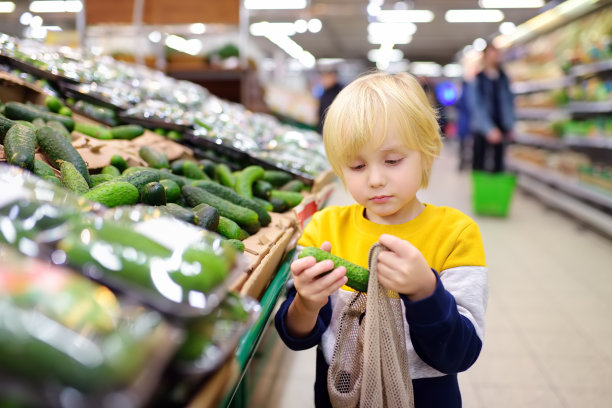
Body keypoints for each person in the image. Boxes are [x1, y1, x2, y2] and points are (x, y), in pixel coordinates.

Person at [274, 71, 488, 408]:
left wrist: (425, 292)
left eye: (392, 160)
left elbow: (460, 353)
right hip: (341, 396)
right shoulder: (324, 229)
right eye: (357, 166)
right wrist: (306, 303)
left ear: (428, 151)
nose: (375, 179)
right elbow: (297, 336)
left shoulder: (455, 233)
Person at [469, 43, 515, 172]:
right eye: (491, 54)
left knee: (498, 165)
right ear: (484, 57)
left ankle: (495, 191)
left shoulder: (503, 78)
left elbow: (509, 102)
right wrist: (488, 129)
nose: (494, 57)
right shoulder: (478, 79)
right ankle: (481, 191)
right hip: (482, 128)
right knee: (479, 163)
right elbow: (476, 106)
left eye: (496, 53)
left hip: (501, 126)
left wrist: (510, 125)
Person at [317, 68, 343, 134]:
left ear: (333, 77)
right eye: (322, 78)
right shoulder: (325, 91)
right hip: (324, 126)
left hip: (336, 127)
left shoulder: (341, 91)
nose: (324, 81)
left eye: (326, 78)